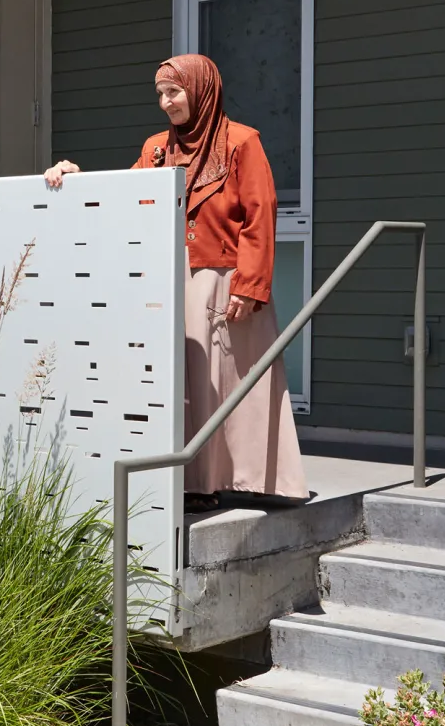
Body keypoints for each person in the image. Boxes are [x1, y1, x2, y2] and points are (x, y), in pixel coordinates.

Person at [46, 55, 307, 508]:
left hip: (225, 281)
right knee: (184, 383)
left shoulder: (242, 143)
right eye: (160, 94)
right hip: (170, 282)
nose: (166, 102)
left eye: (174, 92)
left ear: (201, 89)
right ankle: (193, 484)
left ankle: (253, 480)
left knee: (232, 379)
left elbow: (260, 216)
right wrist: (77, 180)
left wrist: (249, 285)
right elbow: (126, 196)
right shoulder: (156, 150)